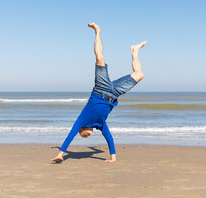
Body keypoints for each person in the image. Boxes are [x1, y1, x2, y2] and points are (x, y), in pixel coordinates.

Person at [51, 22, 146, 163]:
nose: (87, 136)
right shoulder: (100, 124)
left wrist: (60, 154)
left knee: (100, 58)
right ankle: (134, 50)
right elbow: (109, 138)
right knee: (139, 74)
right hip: (114, 93)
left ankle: (97, 31)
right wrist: (113, 158)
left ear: (82, 129)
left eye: (84, 136)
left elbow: (70, 136)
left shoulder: (81, 120)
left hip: (100, 88)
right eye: (86, 137)